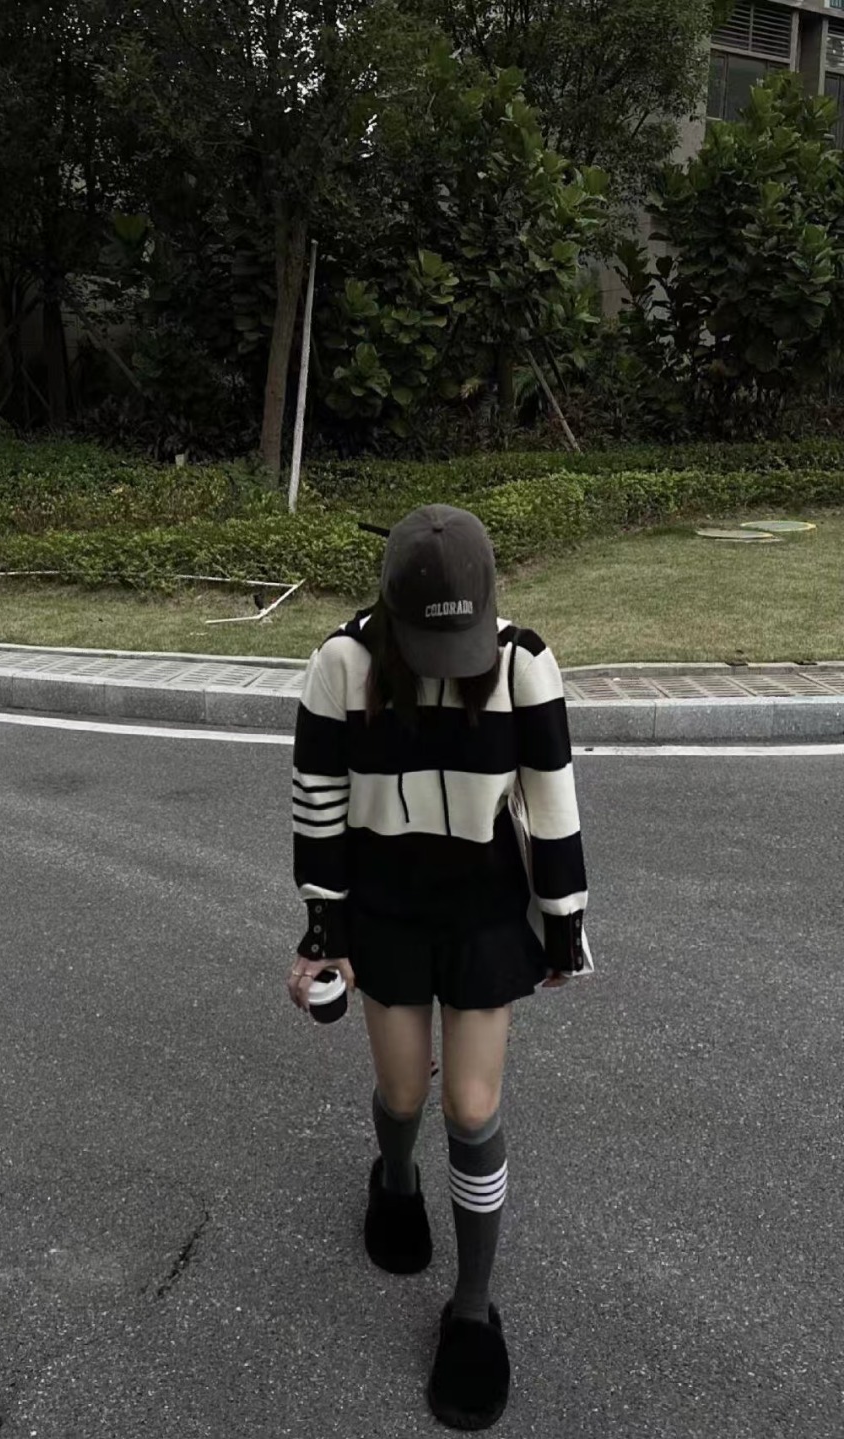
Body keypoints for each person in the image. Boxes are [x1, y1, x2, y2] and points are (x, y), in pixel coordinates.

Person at [287, 504, 589, 1431]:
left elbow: (551, 798)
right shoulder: (339, 664)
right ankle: (394, 1178)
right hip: (384, 907)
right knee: (403, 1092)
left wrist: (564, 925)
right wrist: (322, 932)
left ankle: (473, 1309)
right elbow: (318, 801)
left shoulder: (524, 662)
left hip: (485, 909)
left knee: (469, 1104)